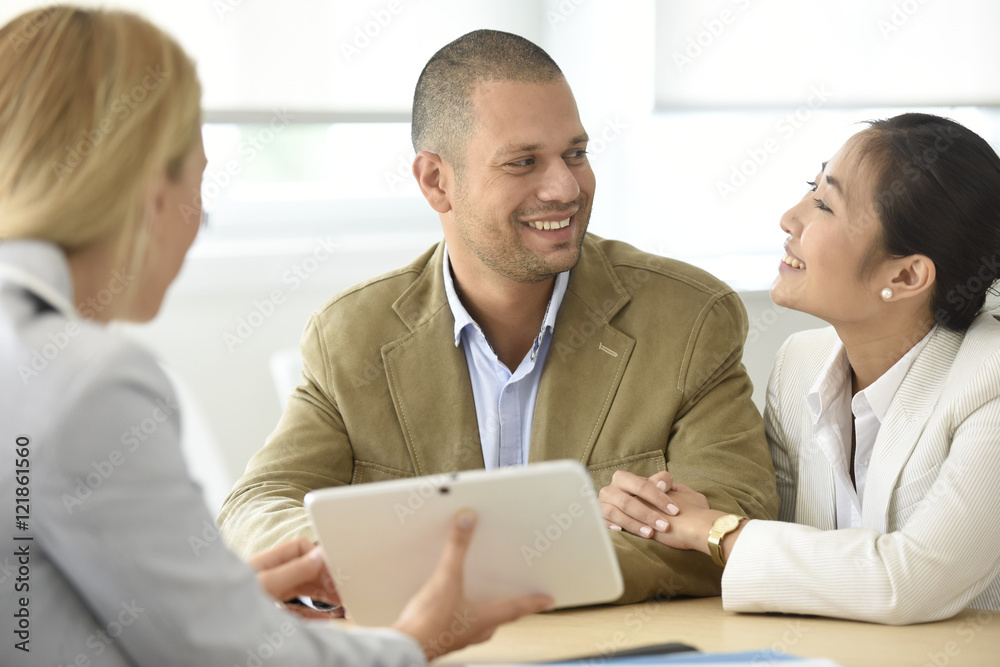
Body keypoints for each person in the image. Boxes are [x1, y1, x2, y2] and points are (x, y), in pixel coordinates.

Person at [0, 7, 552, 666]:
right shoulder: (90, 381)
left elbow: (38, 621)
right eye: (198, 184)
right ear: (150, 190)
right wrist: (411, 642)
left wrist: (212, 604)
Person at [218, 28, 779, 604]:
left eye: (576, 154)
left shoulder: (687, 319)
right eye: (522, 162)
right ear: (437, 181)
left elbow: (733, 519)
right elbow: (258, 506)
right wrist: (367, 566)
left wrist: (449, 575)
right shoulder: (353, 335)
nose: (565, 187)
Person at [598, 113, 1000, 624]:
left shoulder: (989, 378)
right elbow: (789, 555)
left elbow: (910, 583)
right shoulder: (799, 363)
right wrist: (665, 513)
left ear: (905, 275)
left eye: (826, 205)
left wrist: (714, 530)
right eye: (811, 189)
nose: (790, 218)